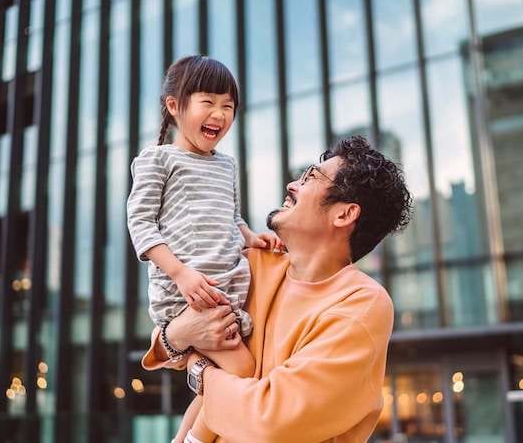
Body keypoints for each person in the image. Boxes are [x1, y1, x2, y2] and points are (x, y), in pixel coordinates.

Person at [143, 135, 413, 442]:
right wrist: (179, 335)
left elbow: (270, 420)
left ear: (344, 214)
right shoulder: (254, 264)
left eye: (311, 177)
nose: (292, 185)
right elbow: (167, 337)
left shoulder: (361, 305)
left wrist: (198, 368)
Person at [126, 55, 282, 443]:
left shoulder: (226, 166)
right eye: (208, 102)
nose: (220, 114)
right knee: (243, 373)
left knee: (224, 379)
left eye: (228, 106)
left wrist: (251, 237)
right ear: (175, 106)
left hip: (223, 291)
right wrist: (180, 273)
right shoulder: (157, 160)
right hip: (187, 295)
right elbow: (140, 224)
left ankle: (183, 439)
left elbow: (232, 217)